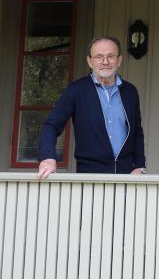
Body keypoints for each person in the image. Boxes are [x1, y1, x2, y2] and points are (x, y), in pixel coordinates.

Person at [37, 35, 146, 178]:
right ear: (89, 61)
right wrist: (48, 158)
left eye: (111, 56)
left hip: (127, 176)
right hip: (89, 177)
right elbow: (51, 125)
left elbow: (137, 132)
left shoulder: (130, 92)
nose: (105, 62)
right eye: (99, 57)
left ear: (119, 60)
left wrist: (139, 165)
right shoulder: (76, 90)